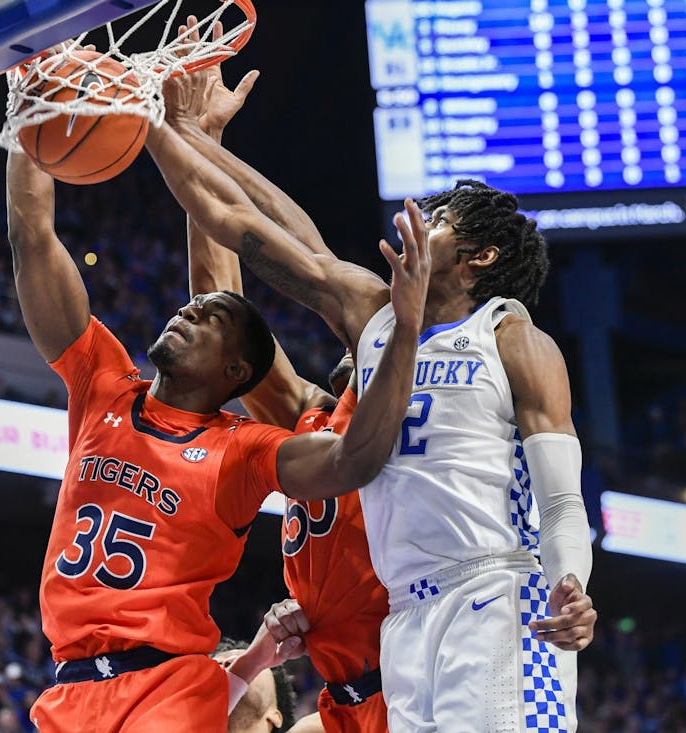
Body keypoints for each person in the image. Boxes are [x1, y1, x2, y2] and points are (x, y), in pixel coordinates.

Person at [144, 69, 598, 731]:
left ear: (479, 255)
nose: (417, 222)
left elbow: (561, 500)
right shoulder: (366, 342)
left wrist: (572, 580)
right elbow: (256, 234)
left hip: (495, 587)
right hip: (408, 619)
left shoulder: (511, 338)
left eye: (439, 221)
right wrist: (176, 129)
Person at [4, 65, 430, 730]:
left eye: (366, 343)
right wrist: (28, 118)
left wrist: (402, 330)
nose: (190, 311)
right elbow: (43, 241)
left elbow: (353, 452)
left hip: (377, 681)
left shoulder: (265, 443)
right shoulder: (116, 385)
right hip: (84, 685)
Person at [177, 27, 388, 732]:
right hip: (340, 694)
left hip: (413, 683)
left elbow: (328, 275)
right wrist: (200, 141)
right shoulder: (309, 421)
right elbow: (220, 321)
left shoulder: (397, 424)